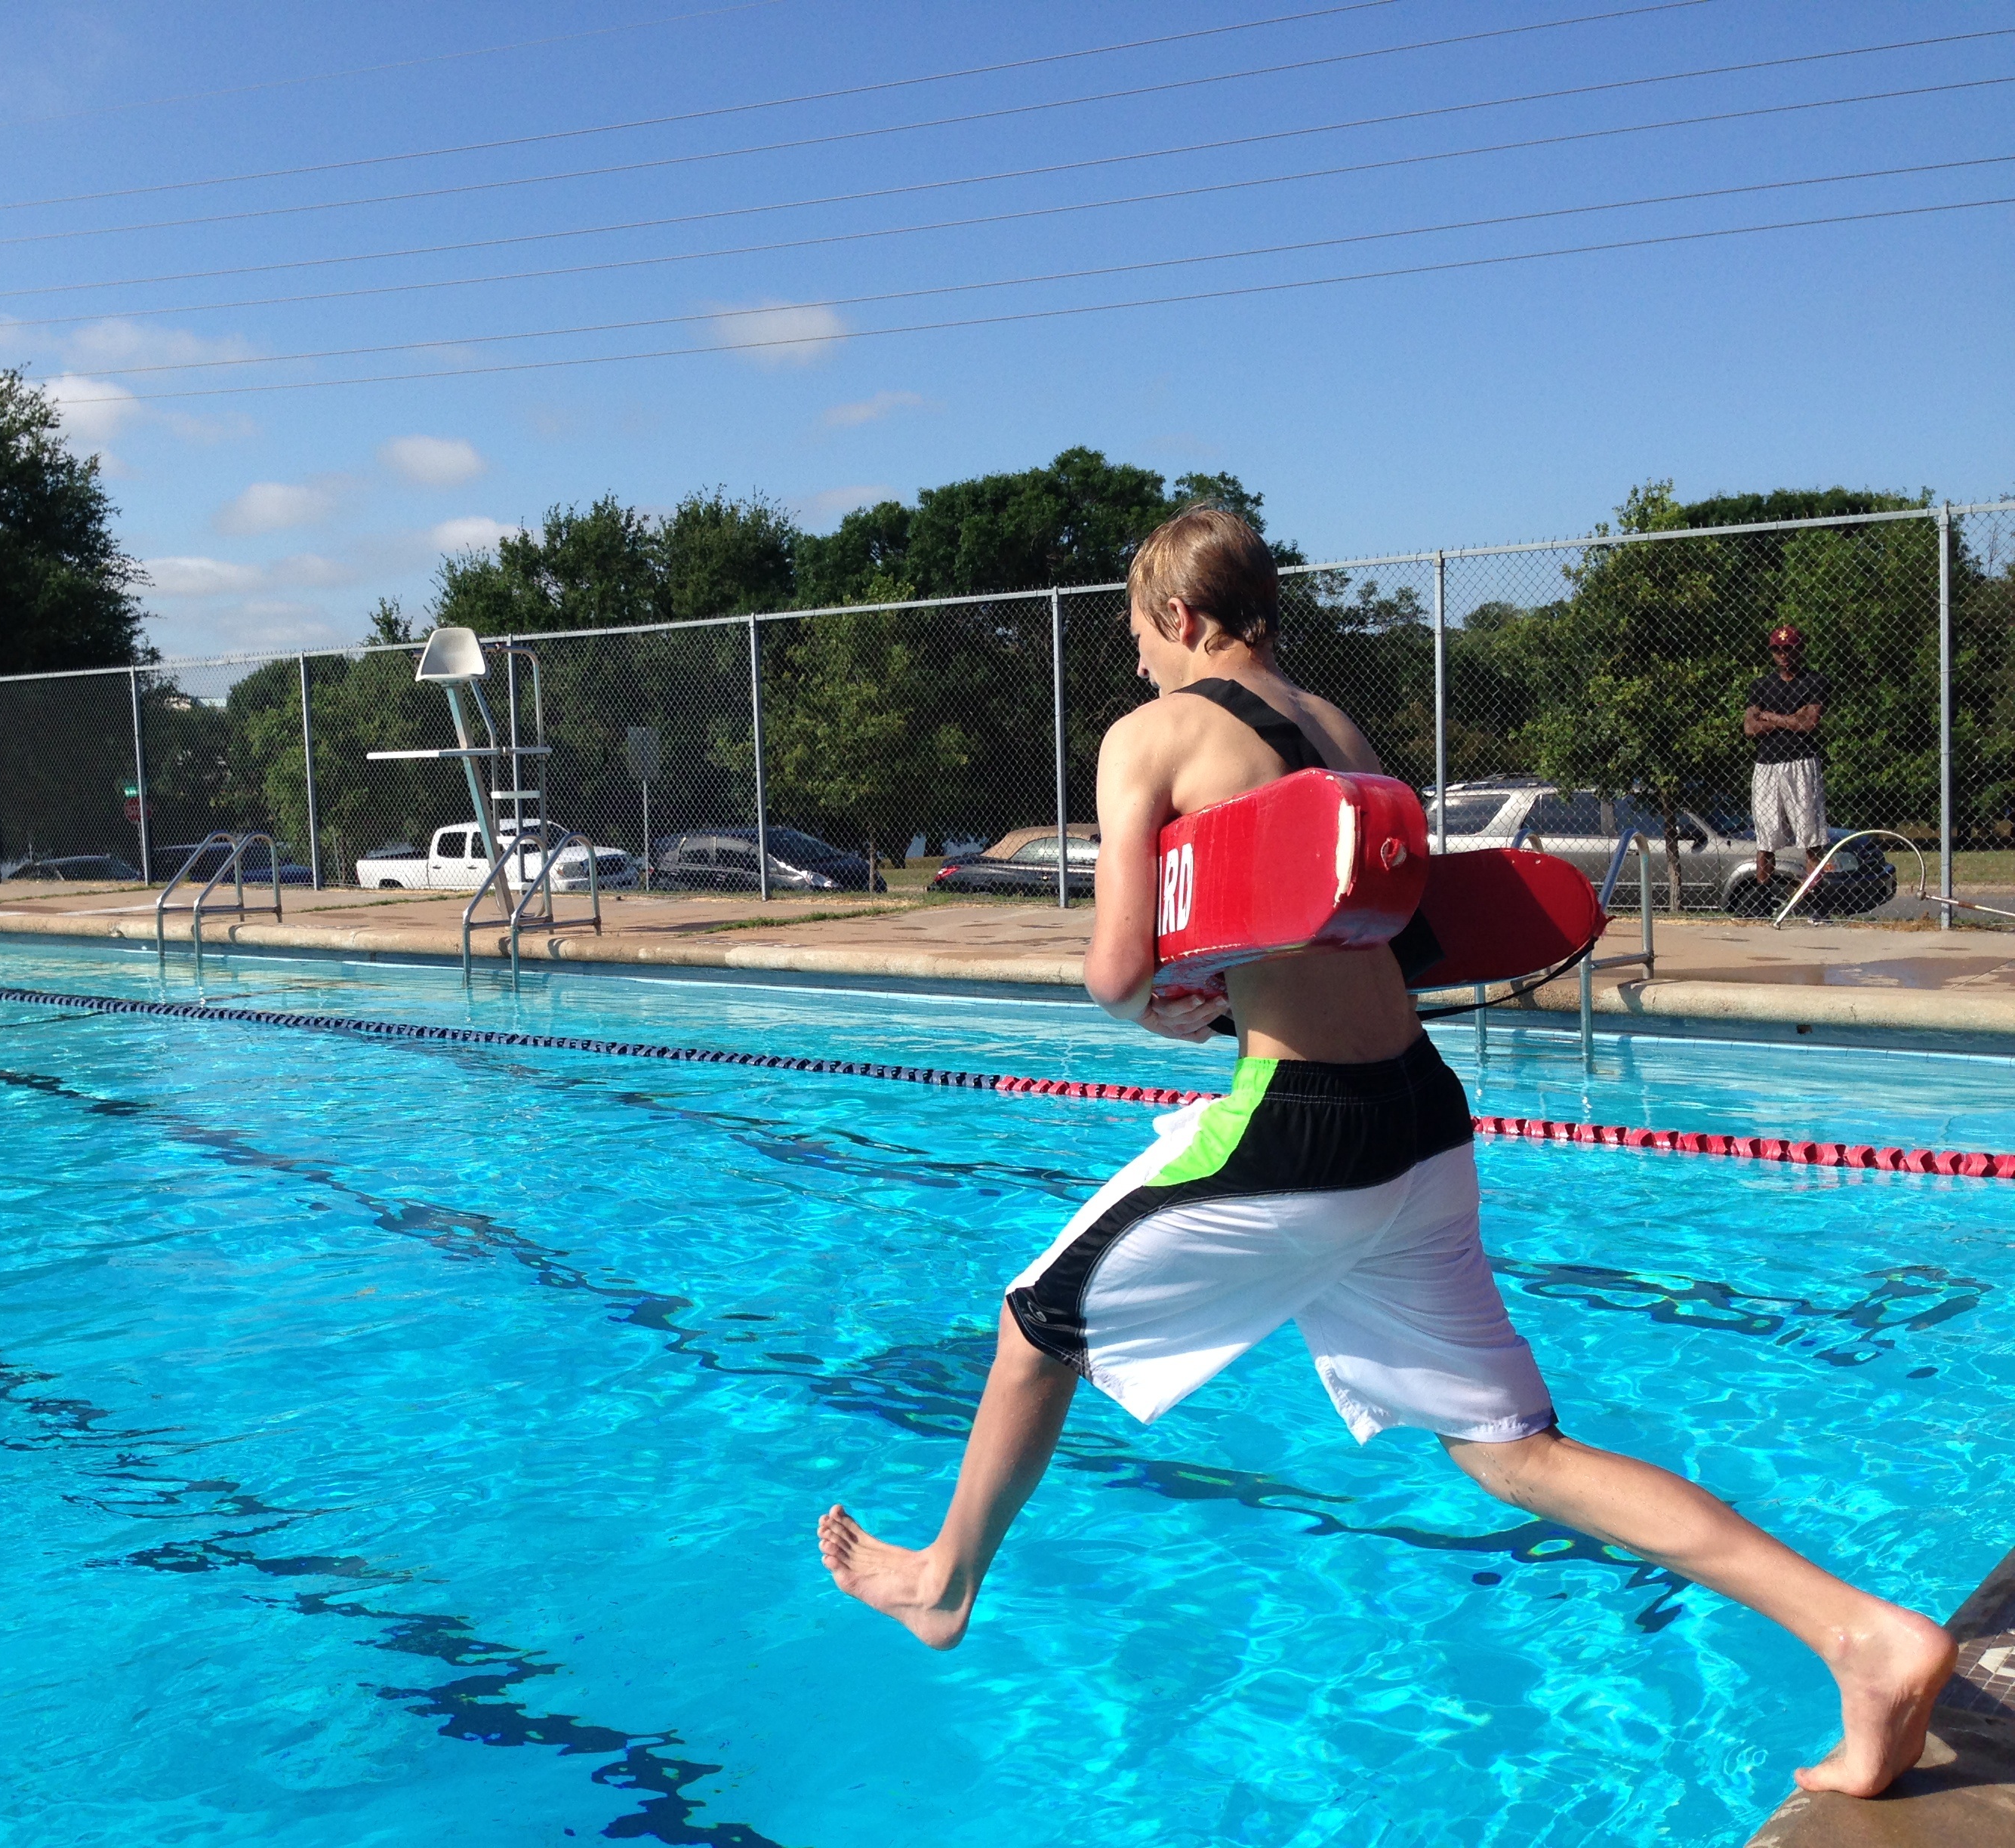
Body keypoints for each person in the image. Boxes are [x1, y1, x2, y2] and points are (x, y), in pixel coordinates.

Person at [818, 508, 1952, 1799]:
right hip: (1417, 1117)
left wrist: (1163, 1006)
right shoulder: (1343, 735)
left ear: (1179, 619)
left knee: (1035, 1325)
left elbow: (1116, 970)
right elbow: (1358, 931)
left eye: (1136, 635)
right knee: (1513, 1451)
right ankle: (1858, 1635)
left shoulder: (1148, 735)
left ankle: (939, 1581)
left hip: (1300, 1129)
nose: (1134, 665)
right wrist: (1227, 990)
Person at [1745, 625, 1832, 889]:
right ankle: (1762, 897)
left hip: (1801, 762)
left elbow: (1809, 724)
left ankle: (1816, 899)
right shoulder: (1760, 686)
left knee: (1810, 836)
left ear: (1800, 650)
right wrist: (1792, 718)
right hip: (1767, 765)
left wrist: (1769, 716)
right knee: (1766, 837)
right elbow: (1750, 728)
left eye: (1789, 649)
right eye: (1777, 650)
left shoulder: (1815, 682)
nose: (1783, 655)